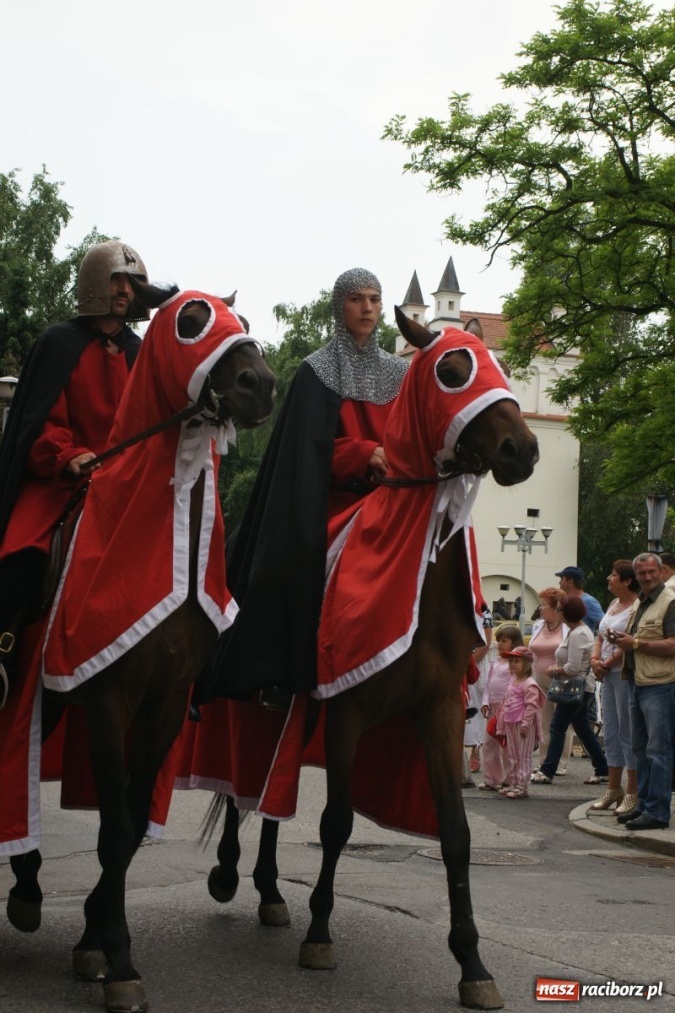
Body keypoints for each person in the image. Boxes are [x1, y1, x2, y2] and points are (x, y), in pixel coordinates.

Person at [207, 267, 408, 703]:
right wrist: (361, 453)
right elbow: (304, 450)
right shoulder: (316, 371)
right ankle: (278, 671)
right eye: (357, 299)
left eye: (374, 299)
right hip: (328, 502)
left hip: (391, 500)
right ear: (340, 307)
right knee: (285, 562)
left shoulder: (400, 373)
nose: (367, 308)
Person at [0, 240, 147, 706]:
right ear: (94, 284)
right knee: (23, 553)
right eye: (116, 280)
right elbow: (38, 422)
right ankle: (2, 653)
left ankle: (181, 684)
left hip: (123, 487)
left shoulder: (141, 353)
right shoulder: (58, 343)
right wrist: (68, 456)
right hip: (60, 483)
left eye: (131, 283)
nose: (124, 290)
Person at [613, 552, 675, 831]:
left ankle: (658, 812)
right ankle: (644, 805)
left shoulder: (670, 602)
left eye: (652, 572)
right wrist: (624, 641)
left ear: (662, 572)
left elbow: (673, 645)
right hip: (637, 682)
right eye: (642, 573)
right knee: (640, 749)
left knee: (658, 750)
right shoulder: (641, 600)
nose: (647, 577)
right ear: (636, 576)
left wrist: (636, 644)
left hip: (661, 685)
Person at [531, 595, 609, 785]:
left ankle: (547, 771)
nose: (557, 612)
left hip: (576, 687)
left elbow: (573, 668)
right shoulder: (576, 631)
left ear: (567, 612)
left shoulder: (578, 634)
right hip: (580, 687)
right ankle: (602, 768)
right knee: (583, 729)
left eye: (559, 609)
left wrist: (555, 670)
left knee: (557, 727)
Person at [588, 560, 639, 812]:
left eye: (614, 574)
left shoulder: (636, 607)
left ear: (627, 581)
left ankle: (633, 791)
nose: (609, 578)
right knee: (610, 730)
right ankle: (613, 788)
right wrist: (594, 660)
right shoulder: (613, 604)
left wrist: (607, 663)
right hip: (606, 675)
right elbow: (601, 636)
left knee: (627, 733)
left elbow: (629, 642)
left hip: (622, 674)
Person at [529, 587, 573, 776]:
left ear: (556, 608)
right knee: (544, 721)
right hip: (539, 679)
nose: (540, 608)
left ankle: (561, 763)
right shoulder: (538, 625)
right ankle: (545, 761)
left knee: (561, 722)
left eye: (544, 605)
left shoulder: (567, 628)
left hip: (561, 679)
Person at [495, 646, 546, 799]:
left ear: (526, 664)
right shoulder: (513, 680)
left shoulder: (529, 684)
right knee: (512, 755)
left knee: (523, 756)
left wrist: (526, 724)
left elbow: (531, 706)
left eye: (516, 661)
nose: (512, 664)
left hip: (523, 724)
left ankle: (522, 786)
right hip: (510, 722)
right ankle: (513, 782)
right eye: (510, 661)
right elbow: (506, 702)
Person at [479, 624, 522, 791]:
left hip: (507, 709)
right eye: (498, 641)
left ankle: (509, 780)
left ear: (514, 642)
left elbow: (514, 685)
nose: (499, 644)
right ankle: (491, 779)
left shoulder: (515, 663)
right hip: (493, 708)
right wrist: (485, 701)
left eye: (504, 641)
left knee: (507, 745)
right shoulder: (495, 661)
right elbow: (488, 684)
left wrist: (507, 705)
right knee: (489, 744)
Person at [555, 565, 604, 633]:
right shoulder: (564, 601)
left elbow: (604, 625)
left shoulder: (589, 601)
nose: (559, 582)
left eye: (562, 579)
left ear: (570, 582)